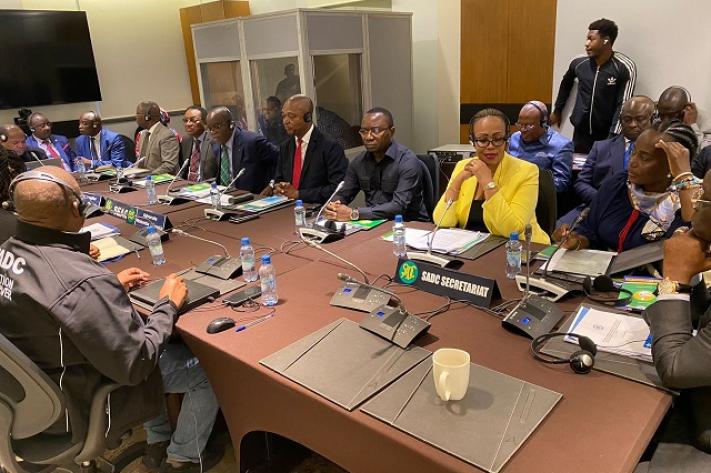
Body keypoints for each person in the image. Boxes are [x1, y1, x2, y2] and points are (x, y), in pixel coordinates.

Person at [0, 167, 222, 472]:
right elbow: (137, 363)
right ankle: (183, 457)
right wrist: (167, 304)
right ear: (76, 207)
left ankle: (157, 438)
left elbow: (53, 303)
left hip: (30, 401)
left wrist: (106, 290)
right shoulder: (81, 283)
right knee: (206, 370)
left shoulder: (7, 252)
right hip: (81, 403)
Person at [640, 170, 711, 471]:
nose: (693, 205)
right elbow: (698, 314)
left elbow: (674, 368)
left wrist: (675, 279)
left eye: (703, 197)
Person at [553, 121, 698, 252]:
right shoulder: (618, 184)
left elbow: (686, 244)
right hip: (602, 269)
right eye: (634, 152)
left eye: (644, 158)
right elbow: (590, 230)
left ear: (671, 165)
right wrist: (576, 241)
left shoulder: (689, 200)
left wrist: (683, 175)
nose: (632, 162)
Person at [433, 108, 550, 244]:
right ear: (473, 141)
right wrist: (457, 182)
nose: (490, 146)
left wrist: (487, 182)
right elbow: (442, 221)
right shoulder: (463, 166)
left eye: (497, 139)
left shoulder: (527, 171)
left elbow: (512, 230)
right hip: (470, 247)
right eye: (483, 140)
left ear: (507, 139)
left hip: (518, 248)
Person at [560, 96, 655, 224]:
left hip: (640, 214)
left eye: (639, 119)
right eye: (627, 120)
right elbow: (581, 182)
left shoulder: (659, 151)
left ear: (652, 119)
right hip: (598, 207)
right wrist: (602, 200)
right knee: (560, 227)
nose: (633, 124)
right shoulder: (601, 147)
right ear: (620, 121)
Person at [324, 107, 428, 222]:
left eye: (376, 130)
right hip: (374, 223)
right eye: (364, 131)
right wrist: (333, 206)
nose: (368, 137)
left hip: (409, 224)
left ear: (392, 132)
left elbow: (398, 206)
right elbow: (344, 194)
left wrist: (355, 214)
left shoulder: (407, 161)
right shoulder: (359, 162)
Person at [550, 18, 636, 153]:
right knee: (578, 166)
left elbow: (624, 104)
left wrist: (612, 136)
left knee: (603, 166)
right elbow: (566, 83)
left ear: (606, 40)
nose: (586, 44)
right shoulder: (579, 63)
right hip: (580, 134)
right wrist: (557, 110)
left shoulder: (624, 67)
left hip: (607, 134)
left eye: (591, 39)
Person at [263, 95, 347, 205]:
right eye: (283, 116)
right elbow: (279, 178)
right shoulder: (285, 146)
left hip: (317, 208)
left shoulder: (330, 146)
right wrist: (278, 187)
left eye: (291, 116)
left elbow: (338, 188)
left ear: (308, 117)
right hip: (287, 206)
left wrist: (299, 194)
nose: (285, 121)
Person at [205, 106, 278, 194]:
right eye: (210, 129)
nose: (213, 132)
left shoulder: (252, 142)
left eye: (217, 126)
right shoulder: (215, 144)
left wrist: (272, 184)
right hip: (224, 195)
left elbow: (280, 161)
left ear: (231, 124)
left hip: (252, 195)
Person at [507, 101, 573, 193]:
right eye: (520, 124)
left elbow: (561, 184)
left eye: (529, 125)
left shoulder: (561, 145)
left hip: (539, 196)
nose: (522, 129)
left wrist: (527, 186)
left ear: (544, 124)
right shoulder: (514, 138)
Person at [657, 86, 711, 150]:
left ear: (685, 109)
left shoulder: (707, 122)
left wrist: (692, 125)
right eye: (662, 115)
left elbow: (704, 153)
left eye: (671, 115)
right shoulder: (659, 116)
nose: (666, 120)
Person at [135, 101, 180, 174]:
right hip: (143, 178)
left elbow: (169, 165)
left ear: (147, 117)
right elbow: (140, 162)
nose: (136, 117)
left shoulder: (166, 135)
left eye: (138, 113)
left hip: (160, 178)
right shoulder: (143, 134)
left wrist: (147, 176)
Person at [178, 106, 217, 182]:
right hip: (187, 184)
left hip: (207, 185)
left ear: (205, 122)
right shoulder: (185, 140)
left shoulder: (214, 140)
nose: (188, 124)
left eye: (193, 120)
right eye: (185, 120)